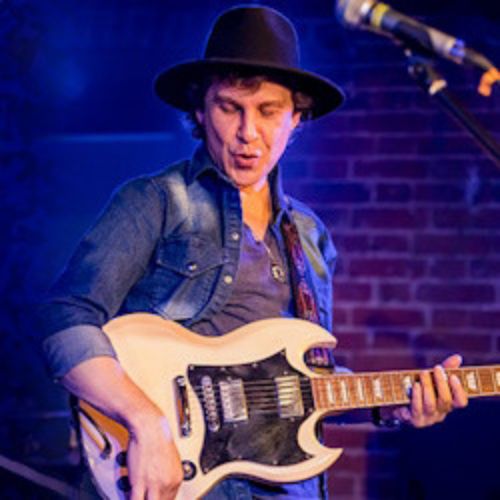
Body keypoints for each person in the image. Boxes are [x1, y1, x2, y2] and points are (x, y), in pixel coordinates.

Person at [38, 6, 468, 499]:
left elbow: (305, 383)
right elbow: (63, 318)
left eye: (268, 111)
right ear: (201, 111)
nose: (248, 132)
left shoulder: (309, 234)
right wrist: (146, 421)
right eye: (230, 107)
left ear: (296, 117)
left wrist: (394, 403)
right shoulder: (157, 201)